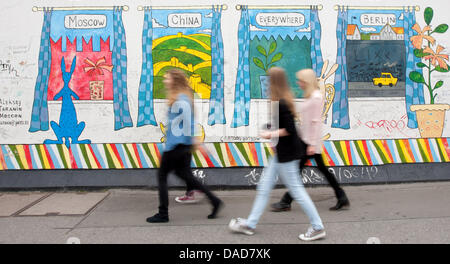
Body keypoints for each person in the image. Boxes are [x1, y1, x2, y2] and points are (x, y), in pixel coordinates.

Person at [228, 67, 326, 241]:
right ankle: (250, 223)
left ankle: (317, 227)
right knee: (264, 187)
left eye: (269, 79)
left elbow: (289, 129)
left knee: (297, 191)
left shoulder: (281, 102)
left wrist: (270, 134)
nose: (266, 83)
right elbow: (286, 125)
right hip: (282, 153)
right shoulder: (281, 101)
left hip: (287, 154)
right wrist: (270, 127)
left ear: (274, 82)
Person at [146, 69, 223, 223]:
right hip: (181, 146)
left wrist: (197, 142)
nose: (164, 81)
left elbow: (189, 122)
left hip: (177, 146)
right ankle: (215, 201)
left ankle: (163, 214)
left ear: (174, 80)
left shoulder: (181, 100)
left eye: (166, 78)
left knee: (162, 176)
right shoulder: (182, 98)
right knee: (185, 176)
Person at [271, 69, 350, 212]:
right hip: (306, 140)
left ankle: (286, 201)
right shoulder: (310, 96)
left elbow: (316, 122)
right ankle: (341, 196)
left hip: (310, 142)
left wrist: (312, 144)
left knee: (299, 170)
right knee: (319, 170)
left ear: (307, 81)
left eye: (300, 80)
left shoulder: (316, 97)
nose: (298, 83)